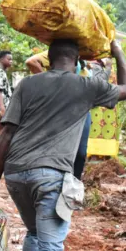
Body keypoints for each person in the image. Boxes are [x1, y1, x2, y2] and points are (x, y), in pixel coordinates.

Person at [0, 39, 126, 251]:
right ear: (77, 60)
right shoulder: (85, 86)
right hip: (50, 177)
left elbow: (6, 133)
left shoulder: (27, 84)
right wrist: (118, 52)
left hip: (15, 174)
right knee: (50, 247)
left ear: (48, 58)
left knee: (35, 234)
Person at [25, 51, 96, 179]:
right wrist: (51, 84)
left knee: (80, 152)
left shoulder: (84, 62)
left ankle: (74, 183)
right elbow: (31, 61)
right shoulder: (62, 52)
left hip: (81, 110)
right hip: (60, 108)